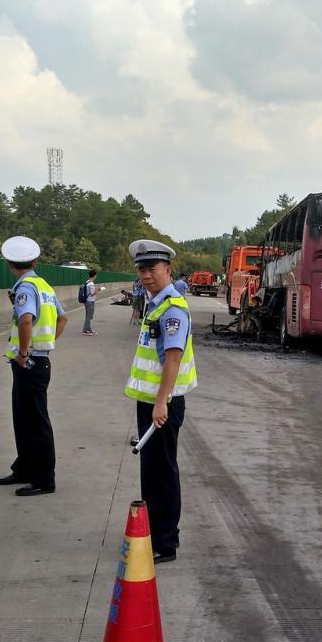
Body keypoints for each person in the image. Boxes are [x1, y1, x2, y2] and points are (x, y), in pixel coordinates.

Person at [125, 239, 198, 564]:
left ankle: (165, 542)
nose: (146, 275)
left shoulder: (171, 309)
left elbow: (172, 359)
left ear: (167, 269)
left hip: (162, 404)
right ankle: (156, 532)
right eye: (141, 269)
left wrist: (161, 403)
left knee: (162, 472)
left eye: (152, 269)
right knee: (151, 472)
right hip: (152, 401)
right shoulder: (155, 304)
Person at [0, 236, 67, 497]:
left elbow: (26, 319)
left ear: (9, 264)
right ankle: (24, 467)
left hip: (30, 362)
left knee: (35, 421)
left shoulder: (25, 287)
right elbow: (62, 318)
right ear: (35, 262)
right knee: (24, 418)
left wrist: (25, 352)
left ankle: (44, 478)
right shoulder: (43, 285)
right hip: (40, 359)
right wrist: (45, 344)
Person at [82, 269, 98, 335]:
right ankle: (85, 330)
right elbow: (92, 293)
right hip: (90, 301)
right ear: (94, 275)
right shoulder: (91, 284)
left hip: (87, 301)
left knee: (88, 316)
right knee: (89, 316)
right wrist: (97, 290)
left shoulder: (87, 282)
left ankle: (88, 329)